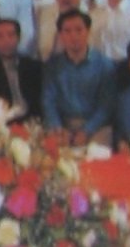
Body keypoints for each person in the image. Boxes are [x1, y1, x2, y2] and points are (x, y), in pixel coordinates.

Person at [41, 11, 116, 146]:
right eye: (67, 31)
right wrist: (57, 127)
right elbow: (49, 101)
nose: (73, 36)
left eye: (79, 30)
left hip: (96, 126)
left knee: (97, 153)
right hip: (63, 124)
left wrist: (87, 131)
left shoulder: (105, 65)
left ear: (88, 32)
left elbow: (106, 106)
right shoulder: (53, 65)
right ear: (60, 35)